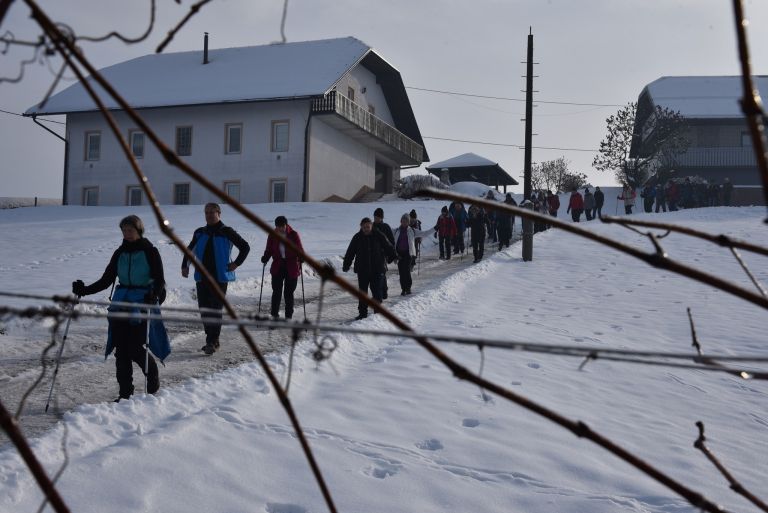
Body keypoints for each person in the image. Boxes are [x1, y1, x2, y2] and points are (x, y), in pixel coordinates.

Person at [72, 215, 167, 402]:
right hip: (121, 302)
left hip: (143, 302)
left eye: (130, 230)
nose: (126, 234)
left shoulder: (150, 251)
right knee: (121, 349)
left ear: (139, 230)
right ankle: (125, 394)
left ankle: (152, 374)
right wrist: (84, 290)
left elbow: (160, 280)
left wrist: (154, 294)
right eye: (124, 230)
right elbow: (106, 279)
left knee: (134, 346)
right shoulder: (119, 253)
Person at [182, 203, 250, 355]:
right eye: (206, 212)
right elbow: (190, 250)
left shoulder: (226, 231)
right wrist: (184, 266)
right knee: (204, 309)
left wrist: (236, 263)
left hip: (219, 277)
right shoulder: (200, 232)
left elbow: (245, 247)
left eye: (212, 212)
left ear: (219, 213)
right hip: (202, 276)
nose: (209, 215)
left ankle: (213, 341)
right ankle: (210, 339)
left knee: (215, 308)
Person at [342, 217, 397, 320]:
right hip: (362, 270)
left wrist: (394, 256)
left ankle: (377, 312)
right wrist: (346, 264)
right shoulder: (357, 237)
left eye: (368, 227)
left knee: (377, 292)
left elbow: (388, 245)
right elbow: (350, 252)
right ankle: (362, 313)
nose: (366, 229)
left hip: (377, 268)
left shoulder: (378, 235)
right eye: (364, 227)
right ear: (361, 227)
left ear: (371, 226)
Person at [261, 216, 304, 322]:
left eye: (282, 226)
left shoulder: (293, 234)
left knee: (288, 293)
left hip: (292, 266)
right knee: (276, 292)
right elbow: (269, 249)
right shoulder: (272, 235)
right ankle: (274, 316)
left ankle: (288, 317)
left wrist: (301, 257)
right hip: (278, 265)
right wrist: (266, 257)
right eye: (278, 226)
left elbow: (299, 249)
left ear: (286, 225)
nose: (280, 229)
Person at [372, 207, 395, 301]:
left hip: (382, 255)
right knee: (374, 275)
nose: (376, 219)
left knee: (381, 274)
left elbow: (391, 241)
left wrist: (390, 253)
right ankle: (377, 293)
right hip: (372, 255)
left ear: (381, 218)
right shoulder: (371, 226)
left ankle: (383, 291)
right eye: (375, 217)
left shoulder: (385, 227)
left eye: (377, 217)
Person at [392, 214, 417, 295]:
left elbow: (424, 233)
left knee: (406, 270)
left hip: (408, 253)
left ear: (408, 222)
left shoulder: (412, 230)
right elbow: (387, 230)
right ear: (401, 221)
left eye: (406, 221)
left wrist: (435, 228)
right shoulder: (397, 230)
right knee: (401, 272)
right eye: (403, 221)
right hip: (399, 253)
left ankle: (408, 288)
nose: (404, 223)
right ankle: (403, 289)